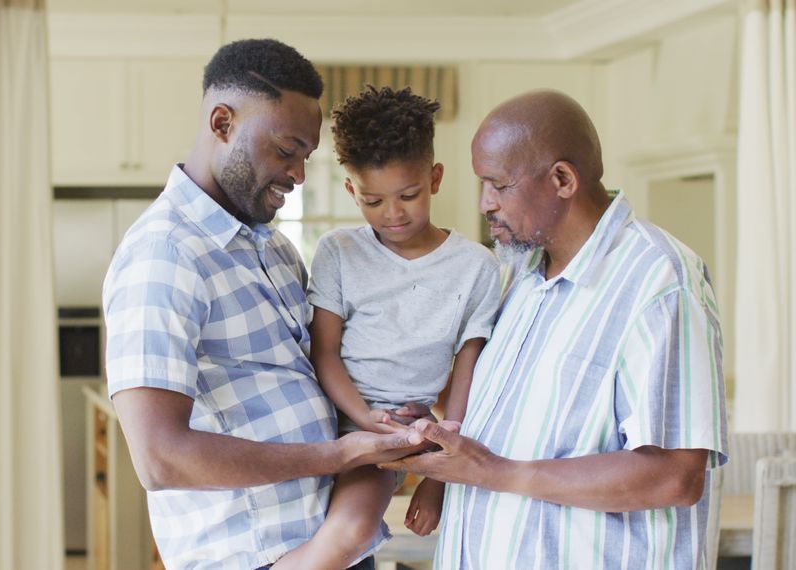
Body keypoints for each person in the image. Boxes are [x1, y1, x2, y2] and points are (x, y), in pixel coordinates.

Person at [102, 39, 425, 570]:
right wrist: (341, 454)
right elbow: (160, 458)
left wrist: (380, 419)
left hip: (328, 544)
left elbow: (315, 372)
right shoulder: (163, 255)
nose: (298, 175)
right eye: (286, 149)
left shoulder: (272, 247)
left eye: (305, 156)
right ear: (223, 123)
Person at [379, 89, 729, 569]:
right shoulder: (517, 275)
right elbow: (515, 420)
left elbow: (674, 477)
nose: (484, 204)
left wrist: (493, 472)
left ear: (562, 179)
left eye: (497, 184)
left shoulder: (661, 282)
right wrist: (434, 421)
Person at [272, 86, 500, 570]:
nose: (393, 214)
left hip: (403, 434)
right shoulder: (338, 251)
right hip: (337, 421)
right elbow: (325, 353)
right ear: (351, 190)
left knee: (351, 533)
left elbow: (466, 373)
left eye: (408, 195)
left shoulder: (476, 267)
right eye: (373, 200)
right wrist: (362, 415)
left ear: (435, 179)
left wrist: (438, 477)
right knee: (329, 535)